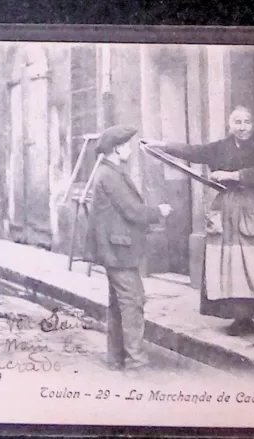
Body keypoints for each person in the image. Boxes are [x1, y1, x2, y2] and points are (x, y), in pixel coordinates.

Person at [145, 106, 254, 336]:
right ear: (229, 125)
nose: (242, 128)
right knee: (231, 263)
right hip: (227, 209)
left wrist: (235, 175)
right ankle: (240, 317)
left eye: (247, 122)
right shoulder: (221, 148)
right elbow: (193, 151)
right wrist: (163, 145)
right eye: (237, 122)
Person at [84, 125, 173, 370]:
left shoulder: (109, 171)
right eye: (127, 145)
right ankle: (136, 363)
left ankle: (116, 358)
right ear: (116, 148)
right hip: (118, 250)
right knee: (132, 302)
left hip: (115, 249)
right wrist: (158, 212)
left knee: (118, 304)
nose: (131, 150)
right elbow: (132, 211)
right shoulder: (110, 175)